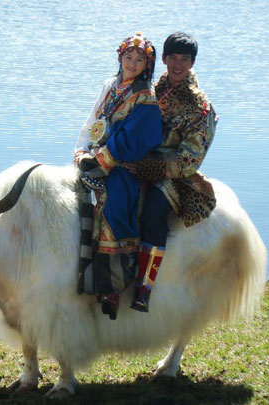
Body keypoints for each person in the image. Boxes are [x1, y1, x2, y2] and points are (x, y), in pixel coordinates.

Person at [127, 32, 218, 312]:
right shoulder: (151, 89)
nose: (178, 65)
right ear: (164, 59)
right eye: (173, 58)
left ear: (192, 63)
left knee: (153, 209)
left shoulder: (200, 106)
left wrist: (149, 168)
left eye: (185, 60)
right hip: (138, 162)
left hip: (175, 175)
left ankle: (144, 287)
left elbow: (190, 159)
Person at [75, 32, 162, 319]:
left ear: (147, 65)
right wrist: (81, 151)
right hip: (94, 156)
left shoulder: (146, 97)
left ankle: (113, 287)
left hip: (122, 163)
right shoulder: (109, 86)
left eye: (139, 60)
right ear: (120, 58)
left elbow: (132, 138)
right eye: (128, 57)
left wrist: (101, 160)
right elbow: (93, 122)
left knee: (114, 205)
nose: (132, 63)